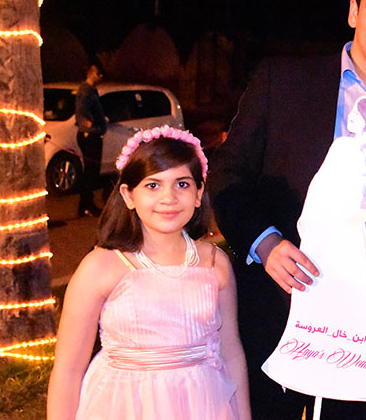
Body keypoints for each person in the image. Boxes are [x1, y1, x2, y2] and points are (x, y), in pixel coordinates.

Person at [208, 0, 366, 419]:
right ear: (354, 12)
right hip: (274, 315)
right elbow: (229, 173)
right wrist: (265, 243)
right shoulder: (283, 82)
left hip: (365, 334)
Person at [47, 126, 251, 420]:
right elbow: (68, 369)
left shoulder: (213, 264)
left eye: (182, 184)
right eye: (153, 185)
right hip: (124, 407)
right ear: (128, 195)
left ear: (199, 193)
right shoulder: (101, 266)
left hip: (202, 404)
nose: (169, 197)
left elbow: (231, 352)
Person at [75, 63, 107, 217]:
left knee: (90, 171)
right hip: (90, 135)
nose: (101, 77)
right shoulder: (86, 90)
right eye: (98, 73)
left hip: (92, 133)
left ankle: (84, 206)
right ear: (91, 73)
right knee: (91, 171)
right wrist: (89, 122)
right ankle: (88, 205)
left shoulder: (91, 90)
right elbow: (81, 108)